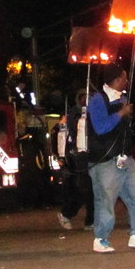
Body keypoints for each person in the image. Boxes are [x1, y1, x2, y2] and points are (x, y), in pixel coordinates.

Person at [86, 63, 135, 253]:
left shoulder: (122, 98)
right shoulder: (97, 100)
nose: (127, 80)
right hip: (105, 159)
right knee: (106, 200)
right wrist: (121, 114)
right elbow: (100, 127)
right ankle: (100, 239)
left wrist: (126, 115)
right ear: (117, 80)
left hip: (125, 157)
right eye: (124, 77)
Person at [56, 88, 95, 230]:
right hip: (77, 157)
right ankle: (73, 215)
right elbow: (63, 137)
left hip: (91, 155)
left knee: (91, 189)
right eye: (83, 98)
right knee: (87, 189)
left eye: (89, 98)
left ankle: (89, 220)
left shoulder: (93, 114)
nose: (86, 101)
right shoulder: (72, 116)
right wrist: (64, 158)